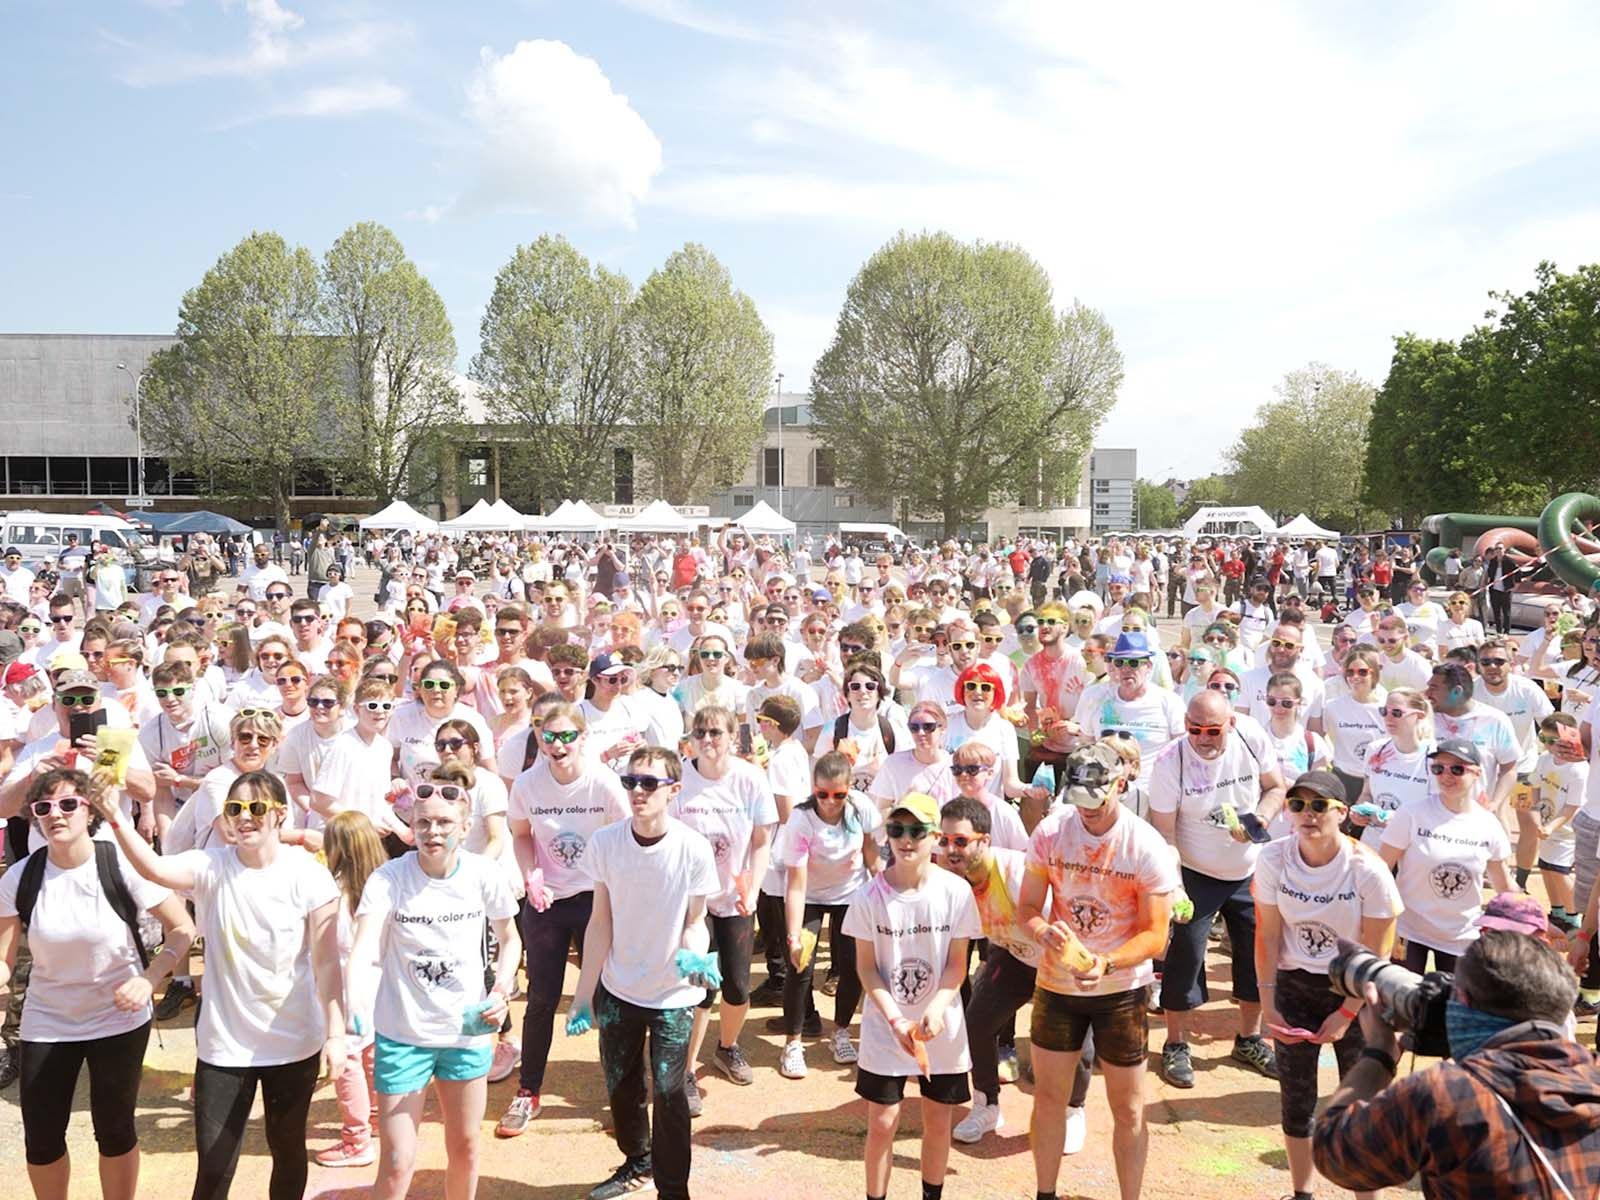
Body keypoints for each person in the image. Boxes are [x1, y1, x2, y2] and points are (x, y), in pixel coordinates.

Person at [92, 770, 344, 1200]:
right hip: (224, 1044)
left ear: (280, 814)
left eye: (256, 807)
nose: (244, 817)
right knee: (214, 1165)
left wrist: (336, 1035)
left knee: (286, 1149)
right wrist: (115, 815)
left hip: (294, 1039)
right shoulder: (210, 864)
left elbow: (326, 962)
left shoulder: (309, 875)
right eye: (234, 808)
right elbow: (153, 869)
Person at [0, 767, 195, 1200]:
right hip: (47, 1021)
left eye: (69, 804)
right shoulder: (20, 877)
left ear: (90, 811)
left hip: (118, 1018)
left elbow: (183, 928)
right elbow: (4, 960)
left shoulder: (120, 863)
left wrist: (150, 979)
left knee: (114, 1128)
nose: (56, 814)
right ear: (34, 817)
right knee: (41, 1136)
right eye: (43, 807)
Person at [1314, 929, 1600, 1197]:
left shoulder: (1446, 1096)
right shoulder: (1593, 1074)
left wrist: (1379, 1054)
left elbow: (1335, 1153)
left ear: (1463, 1003)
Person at [345, 772, 520, 1200]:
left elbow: (510, 939)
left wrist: (501, 989)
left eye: (444, 822)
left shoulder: (483, 873)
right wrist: (353, 1006)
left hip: (465, 1033)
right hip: (403, 1035)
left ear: (465, 827)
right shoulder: (389, 878)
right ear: (412, 826)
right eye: (423, 822)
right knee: (397, 1160)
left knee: (466, 1147)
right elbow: (363, 945)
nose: (433, 832)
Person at [1018, 744, 1178, 1200]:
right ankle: (1045, 1193)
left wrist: (1106, 963)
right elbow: (1027, 907)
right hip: (1058, 985)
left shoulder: (1144, 844)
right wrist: (1043, 930)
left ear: (1121, 785)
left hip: (1121, 990)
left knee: (1128, 1108)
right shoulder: (1052, 831)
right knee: (1049, 1098)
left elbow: (1156, 936)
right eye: (1078, 799)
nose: (1085, 811)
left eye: (1095, 799)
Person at [568, 746, 718, 1200]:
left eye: (649, 783)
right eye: (630, 781)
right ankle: (638, 1160)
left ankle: (673, 1190)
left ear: (674, 790)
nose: (637, 791)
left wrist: (695, 958)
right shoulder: (605, 843)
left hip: (672, 996)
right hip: (618, 990)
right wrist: (583, 996)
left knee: (670, 1097)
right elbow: (600, 922)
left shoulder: (693, 848)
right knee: (621, 1087)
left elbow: (696, 921)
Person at [1254, 770, 1402, 1200]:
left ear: (1343, 812)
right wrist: (1268, 1003)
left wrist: (1346, 1013)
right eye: (1298, 804)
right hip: (1294, 986)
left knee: (1360, 1105)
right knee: (1296, 1100)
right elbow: (1267, 936)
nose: (1308, 814)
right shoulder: (1273, 858)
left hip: (1356, 987)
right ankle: (1302, 1193)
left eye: (1320, 805)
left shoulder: (1367, 869)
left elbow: (1377, 953)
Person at [497, 703, 628, 1138]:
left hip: (596, 898)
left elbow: (627, 835)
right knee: (541, 998)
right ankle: (528, 1091)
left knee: (608, 996)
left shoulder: (603, 782)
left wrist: (611, 885)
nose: (557, 745)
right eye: (549, 736)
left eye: (567, 735)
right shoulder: (527, 785)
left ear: (582, 737)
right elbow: (520, 836)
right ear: (538, 738)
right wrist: (530, 875)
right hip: (547, 901)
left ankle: (622, 1090)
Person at [844, 791, 981, 1200]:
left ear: (935, 836)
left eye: (916, 831)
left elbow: (957, 965)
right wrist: (896, 1020)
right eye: (897, 829)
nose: (905, 839)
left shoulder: (956, 892)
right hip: (887, 1024)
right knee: (882, 1122)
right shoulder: (868, 897)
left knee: (938, 1121)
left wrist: (936, 1009)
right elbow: (866, 968)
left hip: (940, 1024)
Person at [1148, 689, 1287, 1088]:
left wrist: (1258, 821)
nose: (1203, 739)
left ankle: (1249, 1038)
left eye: (1213, 730)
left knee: (1256, 955)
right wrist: (1175, 887)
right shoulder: (1170, 762)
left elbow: (1276, 787)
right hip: (1195, 871)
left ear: (1231, 723)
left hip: (1250, 870)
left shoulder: (1251, 736)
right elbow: (1164, 833)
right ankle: (1176, 1043)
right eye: (1195, 730)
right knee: (1185, 956)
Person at [671, 704, 776, 1108]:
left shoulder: (750, 778)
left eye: (716, 733)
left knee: (736, 985)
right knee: (698, 985)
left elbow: (762, 841)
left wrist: (754, 888)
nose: (707, 740)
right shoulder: (680, 777)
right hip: (691, 901)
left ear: (733, 737)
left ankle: (727, 1046)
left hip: (734, 898)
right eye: (700, 733)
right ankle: (685, 1070)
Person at [773, 751, 880, 1078]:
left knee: (852, 966)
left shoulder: (861, 808)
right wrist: (793, 937)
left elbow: (871, 853)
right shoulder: (801, 819)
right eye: (822, 794)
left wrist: (883, 893)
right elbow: (796, 884)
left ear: (850, 789)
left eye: (839, 794)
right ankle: (793, 1043)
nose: (830, 802)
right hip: (810, 895)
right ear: (813, 788)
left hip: (850, 893)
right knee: (800, 964)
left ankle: (841, 1032)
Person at [1379, 739, 1515, 972]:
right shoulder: (1412, 814)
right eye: (1438, 768)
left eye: (1457, 769)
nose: (1446, 776)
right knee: (1402, 994)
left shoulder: (1489, 825)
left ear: (1477, 773)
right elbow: (1380, 871)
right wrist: (1383, 922)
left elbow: (1504, 886)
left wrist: (1536, 919)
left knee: (1456, 996)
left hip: (1461, 936)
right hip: (1408, 930)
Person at [313, 811, 386, 1168]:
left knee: (348, 1061)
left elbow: (328, 946)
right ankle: (376, 1117)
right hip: (380, 983)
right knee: (371, 1052)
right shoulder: (386, 884)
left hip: (347, 985)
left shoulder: (335, 894)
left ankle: (356, 1140)